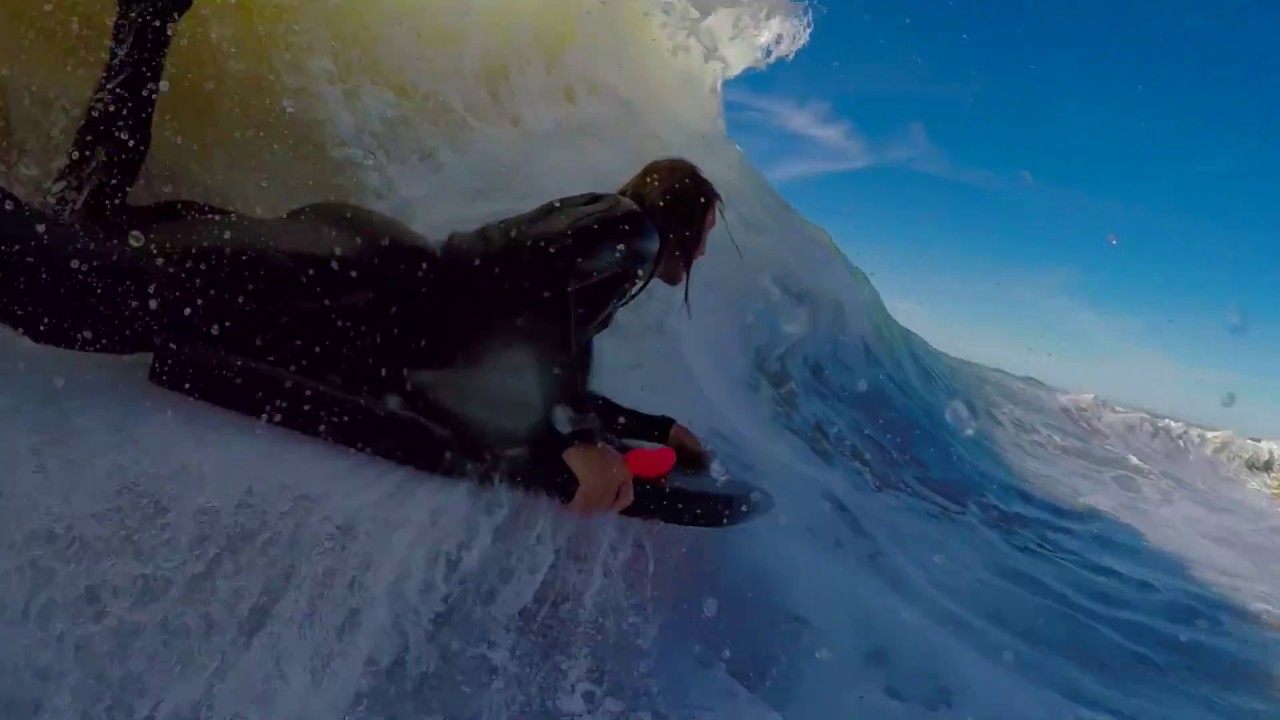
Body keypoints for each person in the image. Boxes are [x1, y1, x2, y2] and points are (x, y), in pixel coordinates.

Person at [0, 0, 720, 515]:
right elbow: (537, 286)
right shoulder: (633, 232)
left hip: (352, 269)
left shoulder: (601, 243)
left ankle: (149, 17)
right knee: (71, 296)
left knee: (88, 230)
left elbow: (527, 349)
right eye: (707, 231)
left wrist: (647, 428)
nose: (705, 248)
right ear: (681, 220)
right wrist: (577, 438)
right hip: (348, 293)